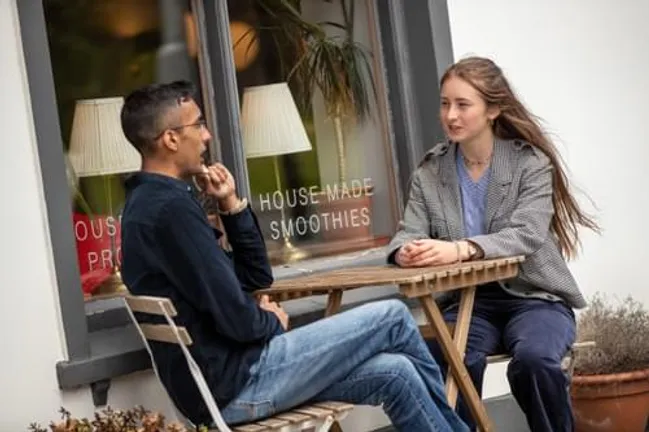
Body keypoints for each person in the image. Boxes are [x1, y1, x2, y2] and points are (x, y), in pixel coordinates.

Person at [119, 80, 468, 432]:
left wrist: (232, 206)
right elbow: (238, 319)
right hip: (240, 384)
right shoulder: (170, 212)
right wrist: (272, 321)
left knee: (396, 373)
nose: (207, 136)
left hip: (223, 385)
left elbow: (255, 279)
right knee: (393, 316)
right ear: (171, 139)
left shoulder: (145, 206)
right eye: (198, 124)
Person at [387, 56, 599, 432]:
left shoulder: (529, 163)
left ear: (493, 110)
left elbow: (527, 233)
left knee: (534, 361)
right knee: (447, 357)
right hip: (468, 301)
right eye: (444, 103)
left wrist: (461, 249)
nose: (450, 115)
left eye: (462, 104)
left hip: (535, 297)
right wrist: (405, 251)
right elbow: (408, 232)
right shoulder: (430, 172)